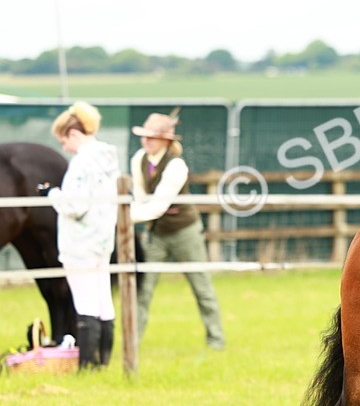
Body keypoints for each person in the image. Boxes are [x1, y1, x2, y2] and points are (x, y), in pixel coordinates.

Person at [129, 110, 225, 349]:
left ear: (166, 140)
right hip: (155, 234)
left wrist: (121, 220)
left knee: (201, 287)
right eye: (144, 136)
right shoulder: (139, 159)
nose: (146, 141)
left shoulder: (176, 165)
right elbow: (141, 198)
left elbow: (158, 205)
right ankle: (132, 343)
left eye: (151, 136)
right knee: (143, 289)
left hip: (184, 232)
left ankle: (216, 340)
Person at [39, 102, 119, 370]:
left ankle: (87, 364)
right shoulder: (108, 159)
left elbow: (74, 205)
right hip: (103, 239)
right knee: (103, 301)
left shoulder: (82, 163)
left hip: (80, 243)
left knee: (85, 300)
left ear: (74, 134)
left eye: (64, 140)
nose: (64, 148)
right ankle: (102, 360)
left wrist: (52, 194)